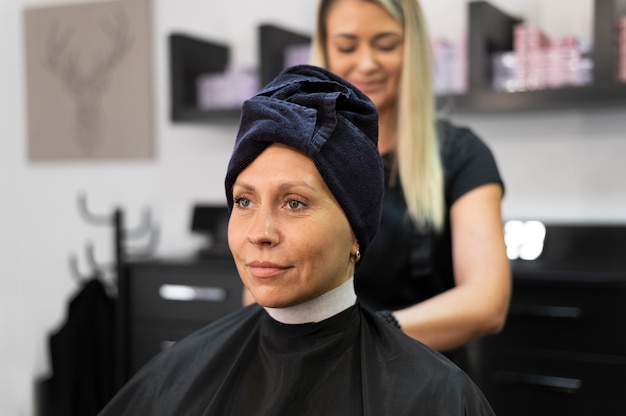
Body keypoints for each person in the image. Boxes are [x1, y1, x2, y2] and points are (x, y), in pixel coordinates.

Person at [98, 65, 495, 415]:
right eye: (244, 200)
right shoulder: (177, 376)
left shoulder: (438, 396)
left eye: (294, 203)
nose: (260, 232)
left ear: (355, 233)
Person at [305, 0, 512, 370]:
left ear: (412, 48)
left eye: (386, 45)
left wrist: (363, 336)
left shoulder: (462, 154)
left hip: (426, 378)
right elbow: (257, 294)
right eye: (347, 46)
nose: (367, 63)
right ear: (324, 50)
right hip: (321, 375)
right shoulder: (301, 155)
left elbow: (487, 301)